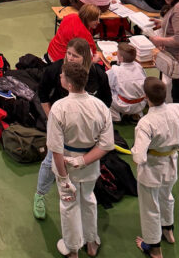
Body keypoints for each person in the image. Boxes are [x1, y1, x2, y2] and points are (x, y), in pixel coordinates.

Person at [33, 37, 111, 221]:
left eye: (75, 56)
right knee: (50, 160)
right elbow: (42, 93)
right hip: (62, 125)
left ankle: (86, 195)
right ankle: (40, 194)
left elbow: (106, 102)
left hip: (87, 131)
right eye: (68, 53)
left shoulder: (98, 75)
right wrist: (52, 117)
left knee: (87, 166)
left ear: (85, 58)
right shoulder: (55, 70)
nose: (70, 58)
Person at [131, 77, 179, 257]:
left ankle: (154, 248)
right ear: (166, 94)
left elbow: (139, 158)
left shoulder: (146, 123)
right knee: (167, 196)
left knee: (150, 207)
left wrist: (135, 151)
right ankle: (168, 230)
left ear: (146, 97)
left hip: (151, 170)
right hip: (171, 163)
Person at [47, 60, 114, 258]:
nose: (60, 76)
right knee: (88, 199)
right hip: (90, 163)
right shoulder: (100, 106)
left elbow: (56, 149)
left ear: (68, 84)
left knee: (69, 203)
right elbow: (106, 144)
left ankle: (72, 248)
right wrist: (83, 161)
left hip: (66, 163)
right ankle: (91, 242)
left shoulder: (59, 108)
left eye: (62, 75)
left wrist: (63, 178)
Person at [107, 41, 146, 122]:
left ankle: (115, 116)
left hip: (123, 105)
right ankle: (137, 113)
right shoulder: (139, 67)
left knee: (105, 89)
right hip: (141, 104)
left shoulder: (115, 70)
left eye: (117, 54)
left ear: (121, 58)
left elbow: (107, 83)